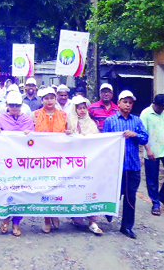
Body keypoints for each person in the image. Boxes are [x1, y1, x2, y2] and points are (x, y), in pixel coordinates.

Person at [103, 90, 148, 239]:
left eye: (130, 103)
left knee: (130, 197)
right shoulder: (110, 121)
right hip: (115, 166)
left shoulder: (136, 121)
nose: (128, 105)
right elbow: (104, 142)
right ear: (119, 102)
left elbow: (144, 138)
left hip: (132, 165)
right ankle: (109, 211)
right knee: (115, 193)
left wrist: (135, 135)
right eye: (125, 102)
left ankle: (127, 226)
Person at [0, 91, 34, 237]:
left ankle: (16, 222)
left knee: (20, 191)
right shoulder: (0, 119)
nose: (15, 108)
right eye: (12, 105)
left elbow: (33, 141)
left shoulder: (27, 119)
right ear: (7, 105)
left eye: (17, 105)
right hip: (6, 161)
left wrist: (30, 133)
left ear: (21, 105)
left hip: (22, 161)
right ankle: (5, 218)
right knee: (6, 190)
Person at [65, 95, 103, 235]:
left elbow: (97, 139)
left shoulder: (91, 123)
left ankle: (93, 220)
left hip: (90, 162)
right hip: (74, 162)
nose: (82, 110)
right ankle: (77, 217)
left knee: (91, 188)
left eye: (83, 108)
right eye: (79, 108)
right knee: (77, 187)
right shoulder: (70, 122)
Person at [31, 87, 66, 233]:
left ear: (56, 98)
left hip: (59, 156)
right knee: (45, 187)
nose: (49, 100)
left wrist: (69, 133)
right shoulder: (35, 115)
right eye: (46, 98)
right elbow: (30, 133)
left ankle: (55, 213)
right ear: (42, 100)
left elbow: (70, 131)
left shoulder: (63, 115)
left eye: (52, 97)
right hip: (42, 157)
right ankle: (46, 218)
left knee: (57, 186)